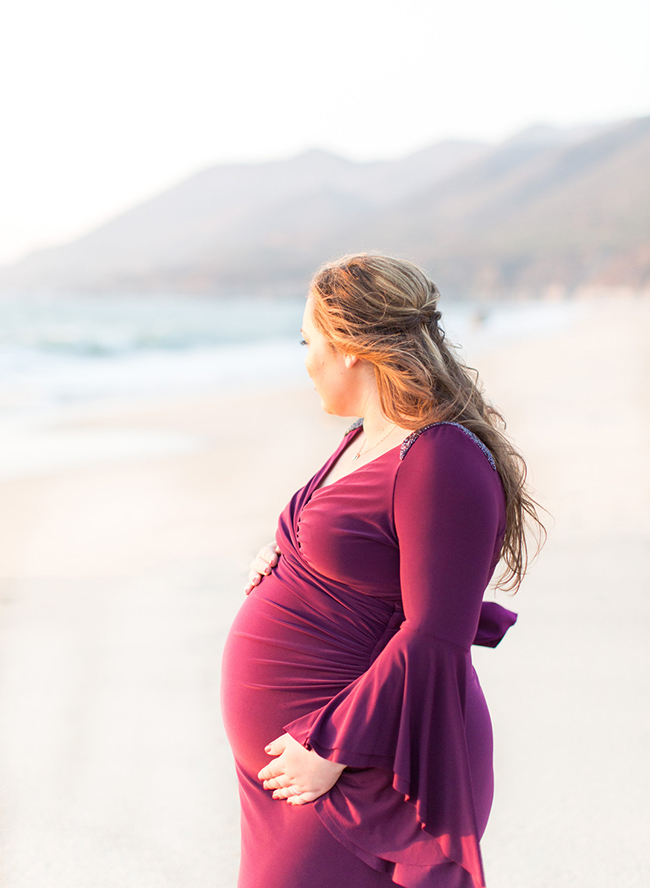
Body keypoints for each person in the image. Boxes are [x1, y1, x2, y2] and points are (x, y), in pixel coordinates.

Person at [220, 253, 545, 888]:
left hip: (362, 768)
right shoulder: (365, 438)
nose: (304, 358)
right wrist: (286, 559)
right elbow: (370, 567)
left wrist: (329, 748)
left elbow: (435, 633)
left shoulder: (442, 456)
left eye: (307, 340)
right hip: (301, 767)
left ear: (348, 346)